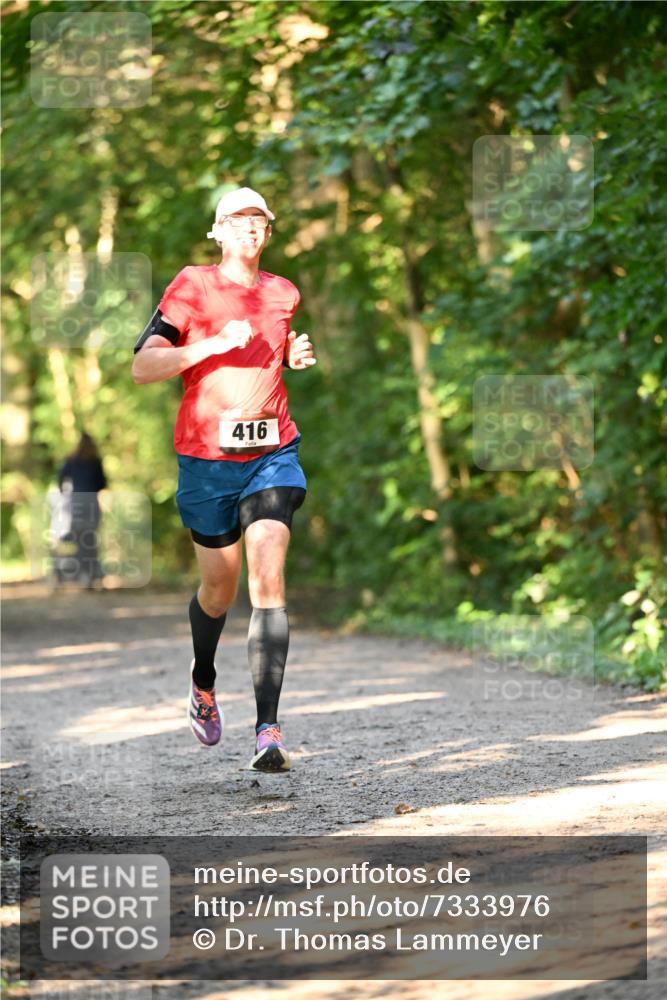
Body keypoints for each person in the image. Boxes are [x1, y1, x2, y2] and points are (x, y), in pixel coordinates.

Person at [132, 186, 315, 773]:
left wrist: (291, 354)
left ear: (269, 231)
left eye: (260, 221)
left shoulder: (283, 292)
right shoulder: (192, 287)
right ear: (219, 231)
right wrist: (210, 343)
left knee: (269, 574)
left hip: (272, 452)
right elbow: (143, 366)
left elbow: (270, 350)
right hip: (206, 461)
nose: (251, 230)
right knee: (219, 589)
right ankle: (203, 679)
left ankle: (268, 730)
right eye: (238, 221)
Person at [55, 432, 107, 589]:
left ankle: (82, 574)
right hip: (91, 502)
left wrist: (66, 494)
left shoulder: (71, 460)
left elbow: (60, 478)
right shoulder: (95, 461)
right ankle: (89, 574)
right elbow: (102, 483)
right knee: (90, 539)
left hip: (77, 502)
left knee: (80, 539)